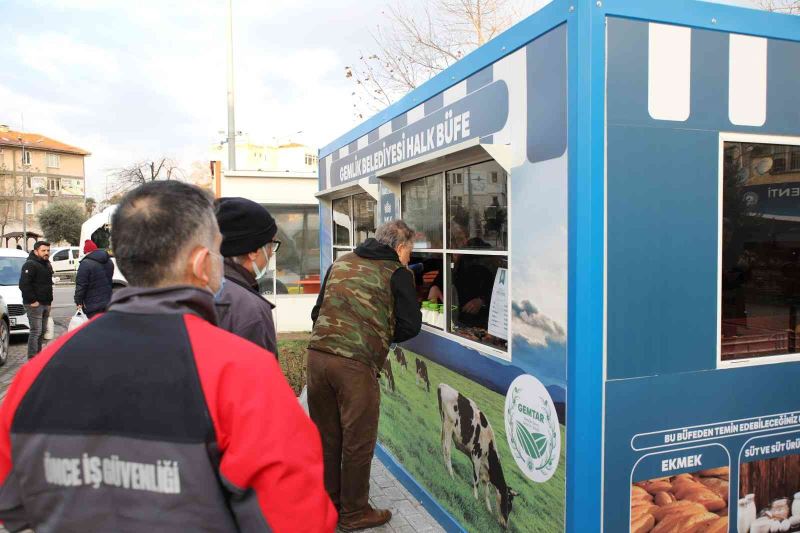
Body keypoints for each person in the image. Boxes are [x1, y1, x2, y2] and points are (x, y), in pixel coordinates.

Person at [0, 181, 336, 532]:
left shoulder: (36, 374)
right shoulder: (244, 374)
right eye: (218, 252)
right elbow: (300, 519)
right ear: (202, 263)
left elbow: (12, 505)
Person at [308, 220, 422, 531]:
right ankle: (355, 513)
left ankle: (329, 504)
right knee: (357, 442)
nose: (409, 258)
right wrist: (377, 333)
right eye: (409, 252)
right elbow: (411, 326)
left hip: (317, 358)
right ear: (399, 248)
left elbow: (318, 312)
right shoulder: (398, 273)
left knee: (327, 438)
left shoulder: (340, 261)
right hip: (354, 366)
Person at [214, 197, 279, 355]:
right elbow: (259, 375)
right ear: (254, 251)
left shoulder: (196, 289)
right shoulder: (250, 309)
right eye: (271, 245)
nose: (271, 254)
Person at [18, 240, 53, 359]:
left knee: (42, 332)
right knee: (36, 332)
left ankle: (38, 358)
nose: (46, 253)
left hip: (45, 303)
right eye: (43, 250)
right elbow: (24, 284)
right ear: (36, 251)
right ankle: (32, 359)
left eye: (48, 250)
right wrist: (33, 301)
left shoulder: (47, 264)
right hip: (34, 304)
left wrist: (49, 303)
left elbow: (48, 285)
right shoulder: (30, 264)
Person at [73, 239, 114, 318]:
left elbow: (81, 285)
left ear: (87, 252)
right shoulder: (109, 261)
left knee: (95, 328)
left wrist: (78, 301)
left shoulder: (85, 264)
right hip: (108, 302)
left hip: (92, 305)